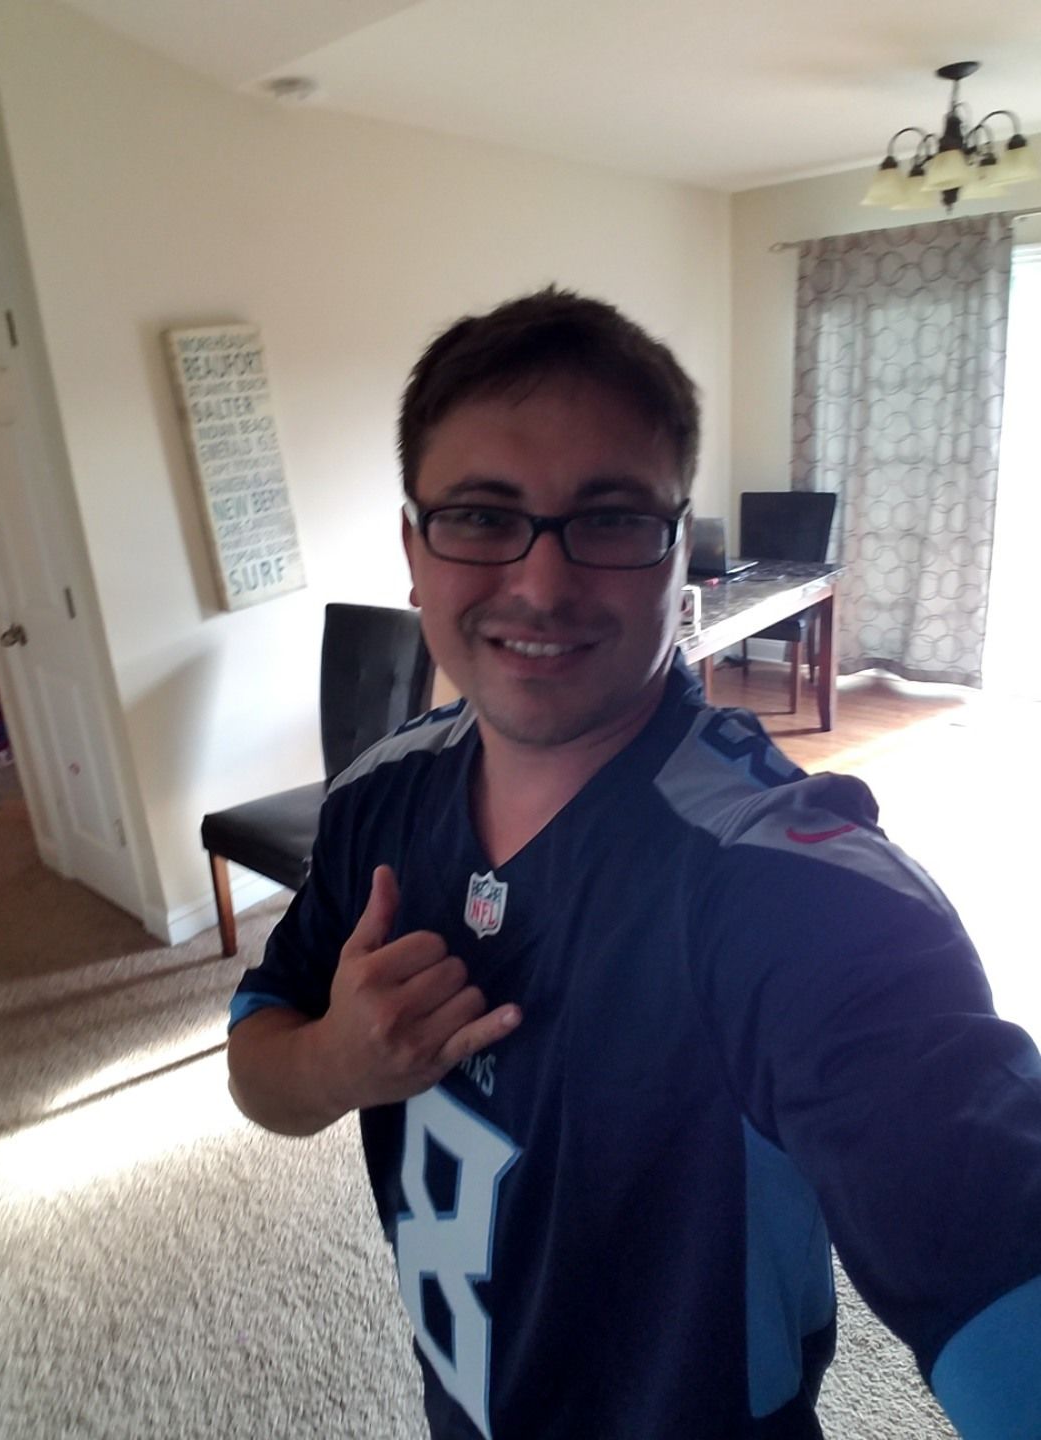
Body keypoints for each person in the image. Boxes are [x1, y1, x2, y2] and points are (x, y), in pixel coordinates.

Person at [227, 288, 1041, 1439]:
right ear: (413, 551)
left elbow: (983, 1209)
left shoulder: (792, 893)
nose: (542, 584)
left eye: (609, 518)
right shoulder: (376, 798)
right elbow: (256, 1065)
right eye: (481, 515)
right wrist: (334, 1063)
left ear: (679, 553)